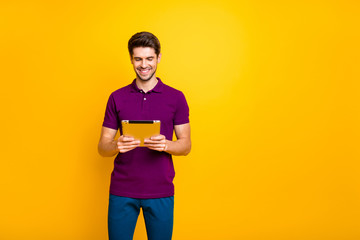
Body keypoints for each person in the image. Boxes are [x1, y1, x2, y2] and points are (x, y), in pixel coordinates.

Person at [98, 31, 191, 240]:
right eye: (138, 59)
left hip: (161, 190)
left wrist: (166, 145)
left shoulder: (176, 98)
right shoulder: (116, 97)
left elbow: (186, 145)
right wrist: (116, 145)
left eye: (149, 58)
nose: (143, 64)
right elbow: (102, 147)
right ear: (131, 59)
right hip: (122, 190)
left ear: (158, 58)